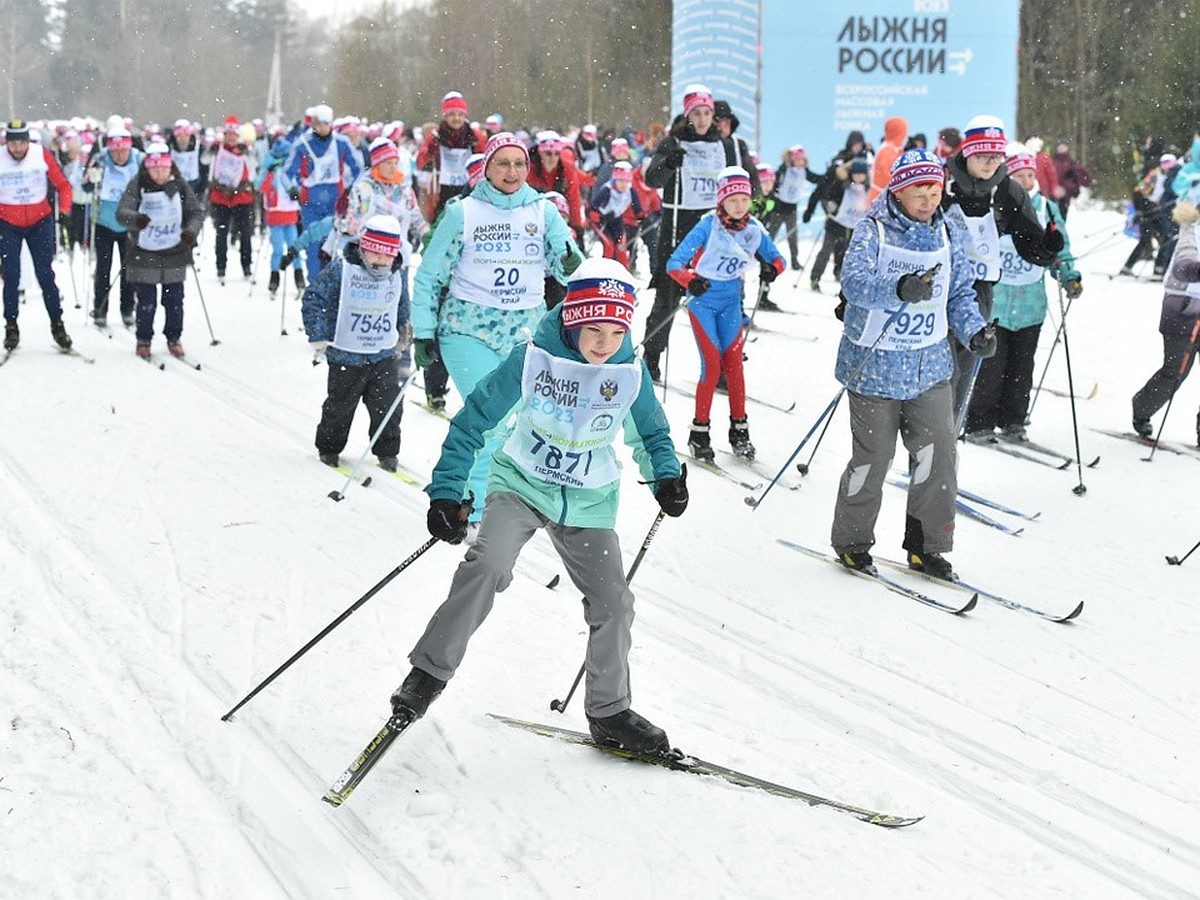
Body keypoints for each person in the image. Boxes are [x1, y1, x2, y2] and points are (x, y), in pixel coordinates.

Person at [392, 257, 687, 754]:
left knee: (614, 601)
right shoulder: (533, 358)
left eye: (616, 331)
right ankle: (427, 674)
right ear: (572, 318)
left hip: (588, 498)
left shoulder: (628, 369)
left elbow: (652, 431)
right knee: (486, 564)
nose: (603, 342)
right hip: (522, 483)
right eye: (593, 328)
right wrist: (447, 490)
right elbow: (473, 421)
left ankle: (610, 711)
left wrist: (665, 474)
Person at [830, 149, 995, 581]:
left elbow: (959, 291)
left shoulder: (947, 229)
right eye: (919, 191)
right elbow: (855, 284)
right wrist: (899, 287)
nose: (927, 200)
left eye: (934, 190)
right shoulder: (874, 229)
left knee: (939, 455)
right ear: (899, 190)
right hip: (875, 366)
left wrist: (975, 330)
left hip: (929, 366)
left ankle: (929, 546)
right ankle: (852, 541)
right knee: (875, 458)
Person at [411, 133, 582, 522]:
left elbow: (569, 264)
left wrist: (573, 266)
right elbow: (428, 276)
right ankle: (470, 513)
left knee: (519, 426)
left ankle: (488, 493)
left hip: (524, 334)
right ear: (487, 167)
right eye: (502, 163)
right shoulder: (463, 212)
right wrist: (423, 331)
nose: (512, 171)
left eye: (519, 163)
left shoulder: (543, 211)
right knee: (489, 421)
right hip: (467, 330)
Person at [942, 115, 1064, 418]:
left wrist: (1047, 246)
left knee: (963, 367)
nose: (989, 163)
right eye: (983, 155)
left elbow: (1029, 242)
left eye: (996, 156)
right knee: (935, 369)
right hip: (937, 286)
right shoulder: (942, 182)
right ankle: (921, 434)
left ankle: (946, 441)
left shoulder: (1008, 191)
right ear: (968, 151)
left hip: (978, 290)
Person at [642, 84, 761, 381]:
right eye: (697, 113)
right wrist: (669, 164)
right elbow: (651, 179)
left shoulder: (727, 145)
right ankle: (651, 357)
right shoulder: (674, 142)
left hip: (714, 234)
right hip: (677, 231)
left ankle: (720, 367)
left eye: (708, 113)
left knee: (718, 301)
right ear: (688, 115)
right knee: (667, 300)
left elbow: (749, 183)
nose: (704, 118)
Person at [667, 166, 784, 462]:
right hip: (703, 303)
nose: (739, 206)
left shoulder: (754, 229)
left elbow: (777, 258)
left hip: (731, 304)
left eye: (744, 199)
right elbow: (674, 263)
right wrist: (690, 280)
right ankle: (699, 432)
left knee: (734, 367)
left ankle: (739, 431)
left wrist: (773, 269)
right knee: (712, 366)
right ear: (721, 201)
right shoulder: (708, 225)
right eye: (732, 200)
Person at [963, 146, 1080, 441]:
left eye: (1030, 175)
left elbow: (1060, 248)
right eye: (1020, 176)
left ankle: (1013, 419)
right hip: (997, 305)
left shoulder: (1046, 208)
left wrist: (1069, 277)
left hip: (1031, 306)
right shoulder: (997, 206)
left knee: (1021, 370)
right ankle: (979, 422)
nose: (1027, 181)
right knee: (991, 368)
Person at [301, 215, 412, 472]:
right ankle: (329, 448)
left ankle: (387, 453)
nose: (380, 261)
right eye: (374, 254)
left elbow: (402, 306)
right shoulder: (343, 269)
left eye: (386, 256)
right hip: (346, 355)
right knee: (339, 407)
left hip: (383, 355)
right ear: (362, 248)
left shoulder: (398, 276)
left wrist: (405, 331)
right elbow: (314, 298)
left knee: (388, 407)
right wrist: (317, 334)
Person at [115, 141, 203, 358]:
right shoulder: (138, 185)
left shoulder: (180, 185)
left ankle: (174, 337)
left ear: (170, 167)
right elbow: (122, 212)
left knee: (174, 299)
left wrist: (190, 232)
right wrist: (137, 220)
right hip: (144, 251)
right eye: (154, 169)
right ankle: (143, 339)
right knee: (146, 300)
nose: (159, 174)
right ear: (147, 168)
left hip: (175, 249)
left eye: (163, 168)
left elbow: (196, 212)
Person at [0, 119, 74, 351]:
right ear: (7, 143)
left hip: (39, 221)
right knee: (11, 276)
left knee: (45, 275)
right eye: (13, 144)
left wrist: (65, 210)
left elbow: (63, 185)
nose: (18, 148)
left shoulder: (40, 154)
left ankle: (57, 325)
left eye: (22, 143)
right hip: (8, 223)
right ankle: (11, 326)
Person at [1131, 200, 1200, 441]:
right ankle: (1142, 409)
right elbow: (1183, 266)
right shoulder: (1192, 233)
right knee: (1176, 371)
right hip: (1183, 312)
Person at [284, 103, 363, 282]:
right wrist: (293, 188)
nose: (323, 128)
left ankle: (333, 287)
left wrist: (353, 188)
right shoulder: (302, 144)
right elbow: (286, 173)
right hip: (310, 203)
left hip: (336, 203)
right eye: (319, 124)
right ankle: (313, 286)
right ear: (314, 124)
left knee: (334, 245)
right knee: (313, 245)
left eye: (326, 124)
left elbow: (360, 168)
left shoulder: (341, 143)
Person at [84, 125, 143, 326]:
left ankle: (127, 309)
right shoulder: (101, 159)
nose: (118, 155)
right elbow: (85, 184)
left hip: (130, 224)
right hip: (104, 223)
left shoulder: (139, 160)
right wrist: (91, 178)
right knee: (103, 269)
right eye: (115, 150)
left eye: (122, 150)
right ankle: (100, 309)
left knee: (129, 269)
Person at [415, 92, 487, 221]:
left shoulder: (474, 136)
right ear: (445, 116)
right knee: (442, 222)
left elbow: (487, 158)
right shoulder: (436, 135)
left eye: (460, 114)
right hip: (442, 189)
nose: (456, 118)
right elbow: (420, 162)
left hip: (469, 186)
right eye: (452, 114)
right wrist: (430, 151)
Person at [806, 158, 870, 292]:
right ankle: (815, 278)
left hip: (854, 228)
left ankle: (844, 280)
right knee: (825, 252)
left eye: (861, 174)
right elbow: (827, 197)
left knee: (847, 255)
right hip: (835, 224)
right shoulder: (842, 185)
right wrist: (831, 207)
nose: (858, 177)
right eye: (856, 174)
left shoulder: (867, 189)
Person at [207, 116, 256, 284]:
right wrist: (210, 150)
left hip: (242, 197)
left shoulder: (243, 150)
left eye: (234, 134)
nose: (231, 138)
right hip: (221, 197)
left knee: (246, 235)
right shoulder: (218, 149)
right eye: (228, 134)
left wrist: (247, 152)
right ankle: (221, 267)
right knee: (221, 234)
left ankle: (247, 266)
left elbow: (254, 167)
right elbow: (204, 161)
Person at [256, 139, 304, 297]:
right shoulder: (270, 169)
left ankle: (299, 278)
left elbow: (301, 185)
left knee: (294, 246)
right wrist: (269, 173)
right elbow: (261, 187)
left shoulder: (293, 169)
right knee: (278, 249)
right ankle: (274, 279)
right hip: (275, 214)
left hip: (290, 213)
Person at [765, 145, 821, 270]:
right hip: (779, 207)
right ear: (791, 160)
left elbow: (816, 179)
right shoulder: (785, 169)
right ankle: (765, 256)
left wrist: (827, 177)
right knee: (771, 234)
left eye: (802, 159)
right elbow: (775, 182)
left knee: (793, 237)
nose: (800, 162)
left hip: (792, 209)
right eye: (797, 159)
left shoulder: (804, 171)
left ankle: (794, 260)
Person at [526, 131, 586, 241]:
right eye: (548, 153)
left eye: (557, 153)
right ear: (540, 152)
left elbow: (574, 199)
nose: (552, 158)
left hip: (561, 216)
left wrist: (577, 227)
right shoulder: (529, 170)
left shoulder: (567, 170)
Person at [587, 161, 643, 267]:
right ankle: (605, 272)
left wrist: (641, 217)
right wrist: (601, 218)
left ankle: (624, 275)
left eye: (626, 181)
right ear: (615, 179)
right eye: (620, 180)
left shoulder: (630, 191)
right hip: (602, 222)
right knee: (609, 247)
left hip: (617, 221)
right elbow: (590, 211)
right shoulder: (607, 190)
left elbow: (637, 208)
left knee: (621, 248)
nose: (623, 184)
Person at [868, 116, 908, 203]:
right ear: (898, 133)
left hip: (885, 198)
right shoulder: (887, 151)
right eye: (904, 133)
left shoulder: (894, 149)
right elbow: (886, 178)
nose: (905, 136)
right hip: (880, 200)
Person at [1051, 140, 1092, 220]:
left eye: (1064, 147)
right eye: (1060, 147)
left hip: (1065, 197)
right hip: (1052, 195)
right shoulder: (1052, 161)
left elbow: (1084, 177)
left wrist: (1071, 187)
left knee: (1061, 219)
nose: (1062, 149)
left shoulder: (1071, 162)